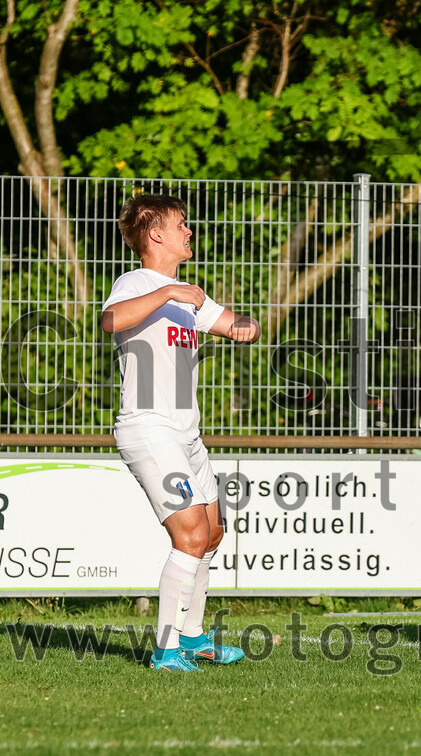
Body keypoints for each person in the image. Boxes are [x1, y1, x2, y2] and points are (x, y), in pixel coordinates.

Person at [102, 194, 261, 671]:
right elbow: (110, 320)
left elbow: (235, 323)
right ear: (156, 235)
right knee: (190, 536)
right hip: (149, 430)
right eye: (182, 225)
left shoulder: (186, 292)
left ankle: (192, 639)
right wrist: (169, 295)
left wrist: (244, 327)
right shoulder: (139, 282)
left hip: (186, 434)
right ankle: (166, 651)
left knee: (211, 533)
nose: (189, 232)